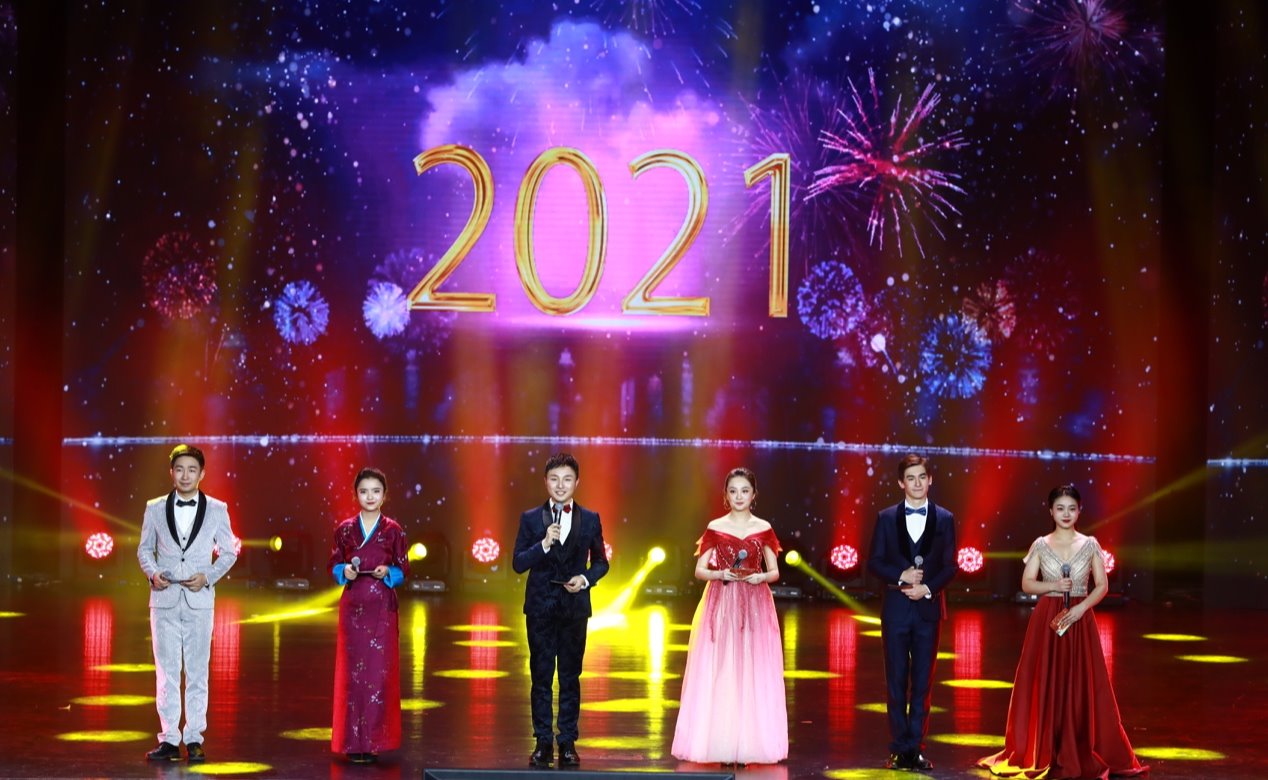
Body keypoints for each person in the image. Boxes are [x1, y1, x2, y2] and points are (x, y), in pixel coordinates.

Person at [978, 485, 1148, 779]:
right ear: (1051, 511)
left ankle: (1079, 745)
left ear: (1079, 511)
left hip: (1080, 618)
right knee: (1045, 678)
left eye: (1071, 508)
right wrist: (1054, 586)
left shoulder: (1090, 544)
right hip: (1048, 618)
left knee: (1081, 681)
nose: (1066, 514)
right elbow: (1027, 583)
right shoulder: (1041, 544)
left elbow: (1102, 586)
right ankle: (1042, 746)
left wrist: (1081, 609)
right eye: (1060, 508)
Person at [671, 467, 787, 766]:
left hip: (755, 603)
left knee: (752, 668)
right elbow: (699, 570)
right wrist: (719, 573)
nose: (739, 496)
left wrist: (760, 578)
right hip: (722, 601)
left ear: (754, 494)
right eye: (733, 491)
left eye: (744, 491)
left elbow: (775, 571)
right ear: (726, 495)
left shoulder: (763, 528)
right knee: (722, 668)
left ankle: (750, 744)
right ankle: (721, 743)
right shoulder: (715, 527)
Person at [136, 444, 239, 763]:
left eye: (192, 470)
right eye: (179, 469)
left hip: (199, 601)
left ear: (202, 473)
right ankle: (169, 739)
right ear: (171, 472)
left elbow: (229, 551)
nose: (185, 475)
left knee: (197, 672)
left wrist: (207, 577)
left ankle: (194, 737)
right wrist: (153, 574)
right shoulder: (154, 507)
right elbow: (144, 550)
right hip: (164, 600)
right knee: (166, 673)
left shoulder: (218, 509)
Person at [511, 452, 609, 767]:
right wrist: (543, 544)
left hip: (574, 609)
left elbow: (602, 562)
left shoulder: (590, 518)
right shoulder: (530, 518)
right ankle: (542, 741)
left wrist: (585, 579)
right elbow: (518, 563)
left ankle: (567, 742)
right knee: (541, 677)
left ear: (577, 482)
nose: (561, 485)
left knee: (570, 677)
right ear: (546, 482)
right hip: (540, 608)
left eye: (567, 479)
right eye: (554, 479)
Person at [867, 453, 958, 772]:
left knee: (922, 683)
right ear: (900, 483)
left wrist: (927, 588)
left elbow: (950, 566)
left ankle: (915, 748)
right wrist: (900, 576)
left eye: (922, 477)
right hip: (896, 610)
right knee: (895, 681)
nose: (917, 483)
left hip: (928, 611)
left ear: (930, 480)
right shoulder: (886, 517)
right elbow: (874, 562)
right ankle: (898, 749)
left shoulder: (945, 518)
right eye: (911, 478)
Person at [328, 467, 410, 764]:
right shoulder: (345, 529)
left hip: (381, 609)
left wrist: (389, 571)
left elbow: (404, 567)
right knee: (352, 676)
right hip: (353, 607)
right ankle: (352, 742)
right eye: (364, 491)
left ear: (384, 495)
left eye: (376, 491)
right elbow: (334, 563)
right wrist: (344, 571)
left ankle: (374, 741)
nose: (370, 496)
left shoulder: (394, 530)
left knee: (377, 675)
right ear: (356, 495)